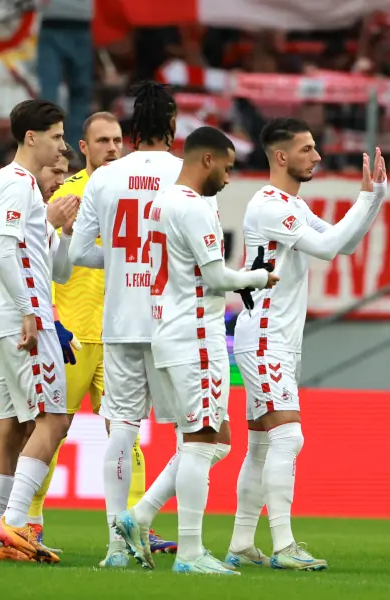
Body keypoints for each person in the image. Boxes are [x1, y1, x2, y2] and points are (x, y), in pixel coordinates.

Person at [112, 126, 278, 575]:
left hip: (169, 330)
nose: (228, 176)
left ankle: (139, 516)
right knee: (202, 441)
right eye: (226, 166)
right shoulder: (194, 207)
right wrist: (260, 278)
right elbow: (218, 278)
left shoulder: (161, 202)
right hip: (195, 337)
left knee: (213, 439)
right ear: (208, 160)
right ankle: (189, 553)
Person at [225, 117, 386, 571]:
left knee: (261, 446)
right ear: (281, 156)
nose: (317, 156)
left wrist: (374, 199)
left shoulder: (287, 204)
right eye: (307, 149)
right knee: (289, 437)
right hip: (265, 338)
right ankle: (284, 545)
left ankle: (240, 543)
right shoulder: (273, 205)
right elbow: (331, 247)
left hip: (274, 338)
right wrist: (366, 197)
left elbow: (344, 244)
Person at [26, 111, 165, 550]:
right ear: (83, 148)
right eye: (102, 140)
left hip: (119, 333)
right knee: (54, 427)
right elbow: (44, 260)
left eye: (118, 139)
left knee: (125, 429)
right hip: (73, 332)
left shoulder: (133, 191)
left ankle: (136, 520)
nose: (112, 147)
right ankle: (29, 519)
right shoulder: (69, 194)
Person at [68, 84, 184, 567]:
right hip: (172, 321)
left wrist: (117, 263)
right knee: (198, 436)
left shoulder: (106, 176)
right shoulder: (186, 171)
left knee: (120, 432)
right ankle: (148, 517)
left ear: (132, 129)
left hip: (118, 321)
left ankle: (117, 545)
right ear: (172, 126)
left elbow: (77, 253)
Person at [0, 99, 79, 563]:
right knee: (54, 419)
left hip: (11, 317)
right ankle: (14, 523)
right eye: (57, 137)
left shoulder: (18, 188)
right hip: (24, 320)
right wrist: (29, 312)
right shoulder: (17, 183)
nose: (61, 146)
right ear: (32, 138)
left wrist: (63, 230)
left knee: (15, 427)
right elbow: (3, 249)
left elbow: (55, 270)